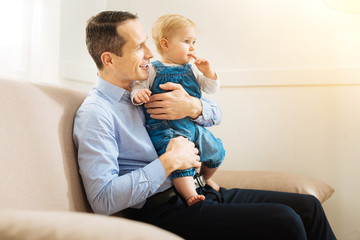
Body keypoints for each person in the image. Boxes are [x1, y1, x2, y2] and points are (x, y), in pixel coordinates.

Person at [73, 11, 337, 239]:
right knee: (285, 220)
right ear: (108, 59)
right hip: (165, 209)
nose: (150, 53)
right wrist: (169, 161)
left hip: (199, 188)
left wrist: (194, 106)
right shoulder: (97, 114)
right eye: (139, 47)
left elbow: (216, 113)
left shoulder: (148, 84)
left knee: (309, 208)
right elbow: (103, 200)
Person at [130, 14, 225, 206]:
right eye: (186, 41)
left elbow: (210, 88)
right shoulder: (153, 69)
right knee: (179, 160)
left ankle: (206, 178)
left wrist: (208, 72)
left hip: (191, 125)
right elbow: (138, 85)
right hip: (166, 129)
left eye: (194, 42)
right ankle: (190, 195)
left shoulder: (193, 70)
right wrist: (137, 94)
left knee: (215, 149)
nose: (192, 47)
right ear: (165, 44)